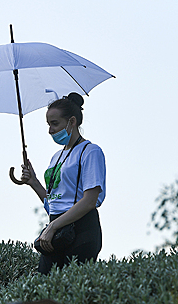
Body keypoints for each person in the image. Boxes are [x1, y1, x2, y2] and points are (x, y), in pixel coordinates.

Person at [21, 92, 106, 275]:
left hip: (81, 231)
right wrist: (33, 182)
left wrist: (52, 226)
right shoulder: (56, 157)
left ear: (72, 121)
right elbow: (55, 202)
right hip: (57, 232)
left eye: (55, 123)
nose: (50, 130)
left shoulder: (90, 151)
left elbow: (90, 201)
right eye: (48, 124)